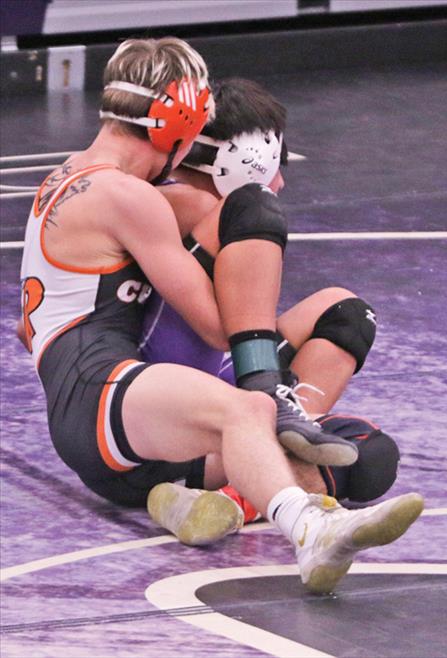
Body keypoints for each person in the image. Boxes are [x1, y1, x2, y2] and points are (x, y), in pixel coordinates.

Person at [19, 37, 423, 595]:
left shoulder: (79, 176)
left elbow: (30, 326)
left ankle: (230, 489)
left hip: (96, 392)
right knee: (246, 406)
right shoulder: (124, 196)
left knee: (367, 451)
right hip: (101, 391)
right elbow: (216, 326)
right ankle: (308, 523)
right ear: (177, 122)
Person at [141, 77, 401, 524]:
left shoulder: (163, 204)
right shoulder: (172, 206)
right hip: (172, 428)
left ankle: (256, 464)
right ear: (244, 156)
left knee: (345, 313)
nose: (279, 180)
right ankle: (255, 475)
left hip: (202, 410)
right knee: (369, 457)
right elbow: (219, 330)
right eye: (274, 162)